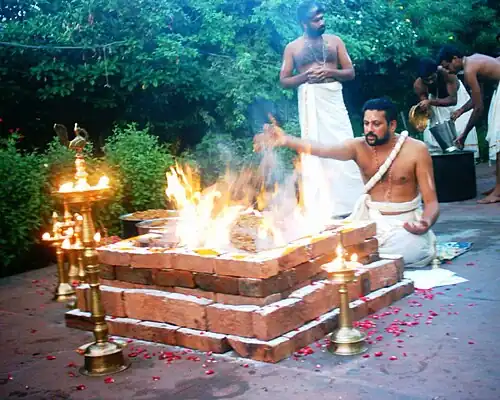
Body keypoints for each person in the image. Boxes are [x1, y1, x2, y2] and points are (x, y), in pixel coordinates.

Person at [254, 98, 439, 268]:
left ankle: (368, 256)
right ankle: (367, 256)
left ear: (392, 125)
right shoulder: (358, 147)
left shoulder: (416, 150)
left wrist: (425, 222)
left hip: (404, 225)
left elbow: (431, 203)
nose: (369, 129)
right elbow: (322, 149)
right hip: (370, 222)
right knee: (327, 241)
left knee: (411, 247)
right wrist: (285, 139)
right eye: (366, 123)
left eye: (376, 124)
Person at [279, 0, 363, 217]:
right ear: (304, 23)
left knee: (343, 142)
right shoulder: (293, 48)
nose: (321, 22)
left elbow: (350, 73)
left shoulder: (335, 42)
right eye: (316, 20)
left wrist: (330, 72)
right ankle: (322, 206)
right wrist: (305, 76)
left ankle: (352, 203)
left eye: (321, 18)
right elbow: (284, 80)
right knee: (314, 148)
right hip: (310, 102)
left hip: (333, 100)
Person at [438, 45, 500, 204]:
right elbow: (477, 98)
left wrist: (464, 135)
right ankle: (498, 186)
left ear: (455, 59)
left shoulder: (469, 69)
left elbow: (479, 108)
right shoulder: (473, 61)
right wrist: (461, 110)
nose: (448, 71)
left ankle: (498, 191)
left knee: (498, 139)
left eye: (448, 66)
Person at [413, 58, 479, 159]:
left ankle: (467, 159)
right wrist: (425, 110)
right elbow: (426, 105)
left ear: (436, 71)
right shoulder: (418, 85)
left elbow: (453, 100)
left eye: (432, 78)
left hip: (457, 100)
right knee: (432, 135)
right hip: (435, 103)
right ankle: (443, 161)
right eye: (427, 80)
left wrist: (430, 102)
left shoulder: (447, 73)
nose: (430, 82)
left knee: (461, 128)